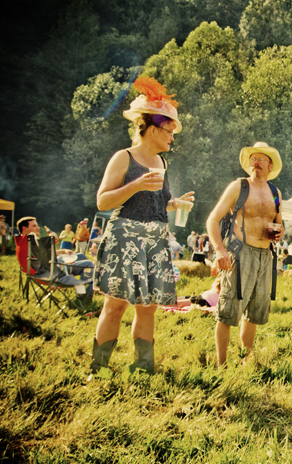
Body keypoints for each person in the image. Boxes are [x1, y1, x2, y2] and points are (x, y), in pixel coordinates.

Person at [90, 76, 194, 377]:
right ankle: (98, 368)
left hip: (156, 239)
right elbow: (103, 202)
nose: (172, 137)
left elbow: (156, 201)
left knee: (148, 306)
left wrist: (175, 204)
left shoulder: (162, 164)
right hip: (126, 236)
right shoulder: (124, 157)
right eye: (169, 130)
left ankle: (144, 368)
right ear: (151, 127)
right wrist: (134, 185)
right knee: (116, 305)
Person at [207, 141, 283, 368]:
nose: (256, 162)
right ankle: (221, 365)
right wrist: (220, 249)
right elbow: (213, 219)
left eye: (261, 159)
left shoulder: (275, 193)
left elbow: (279, 221)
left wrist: (279, 233)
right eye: (253, 158)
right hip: (240, 253)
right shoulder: (239, 187)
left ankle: (245, 360)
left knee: (254, 312)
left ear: (270, 166)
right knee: (228, 311)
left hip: (265, 256)